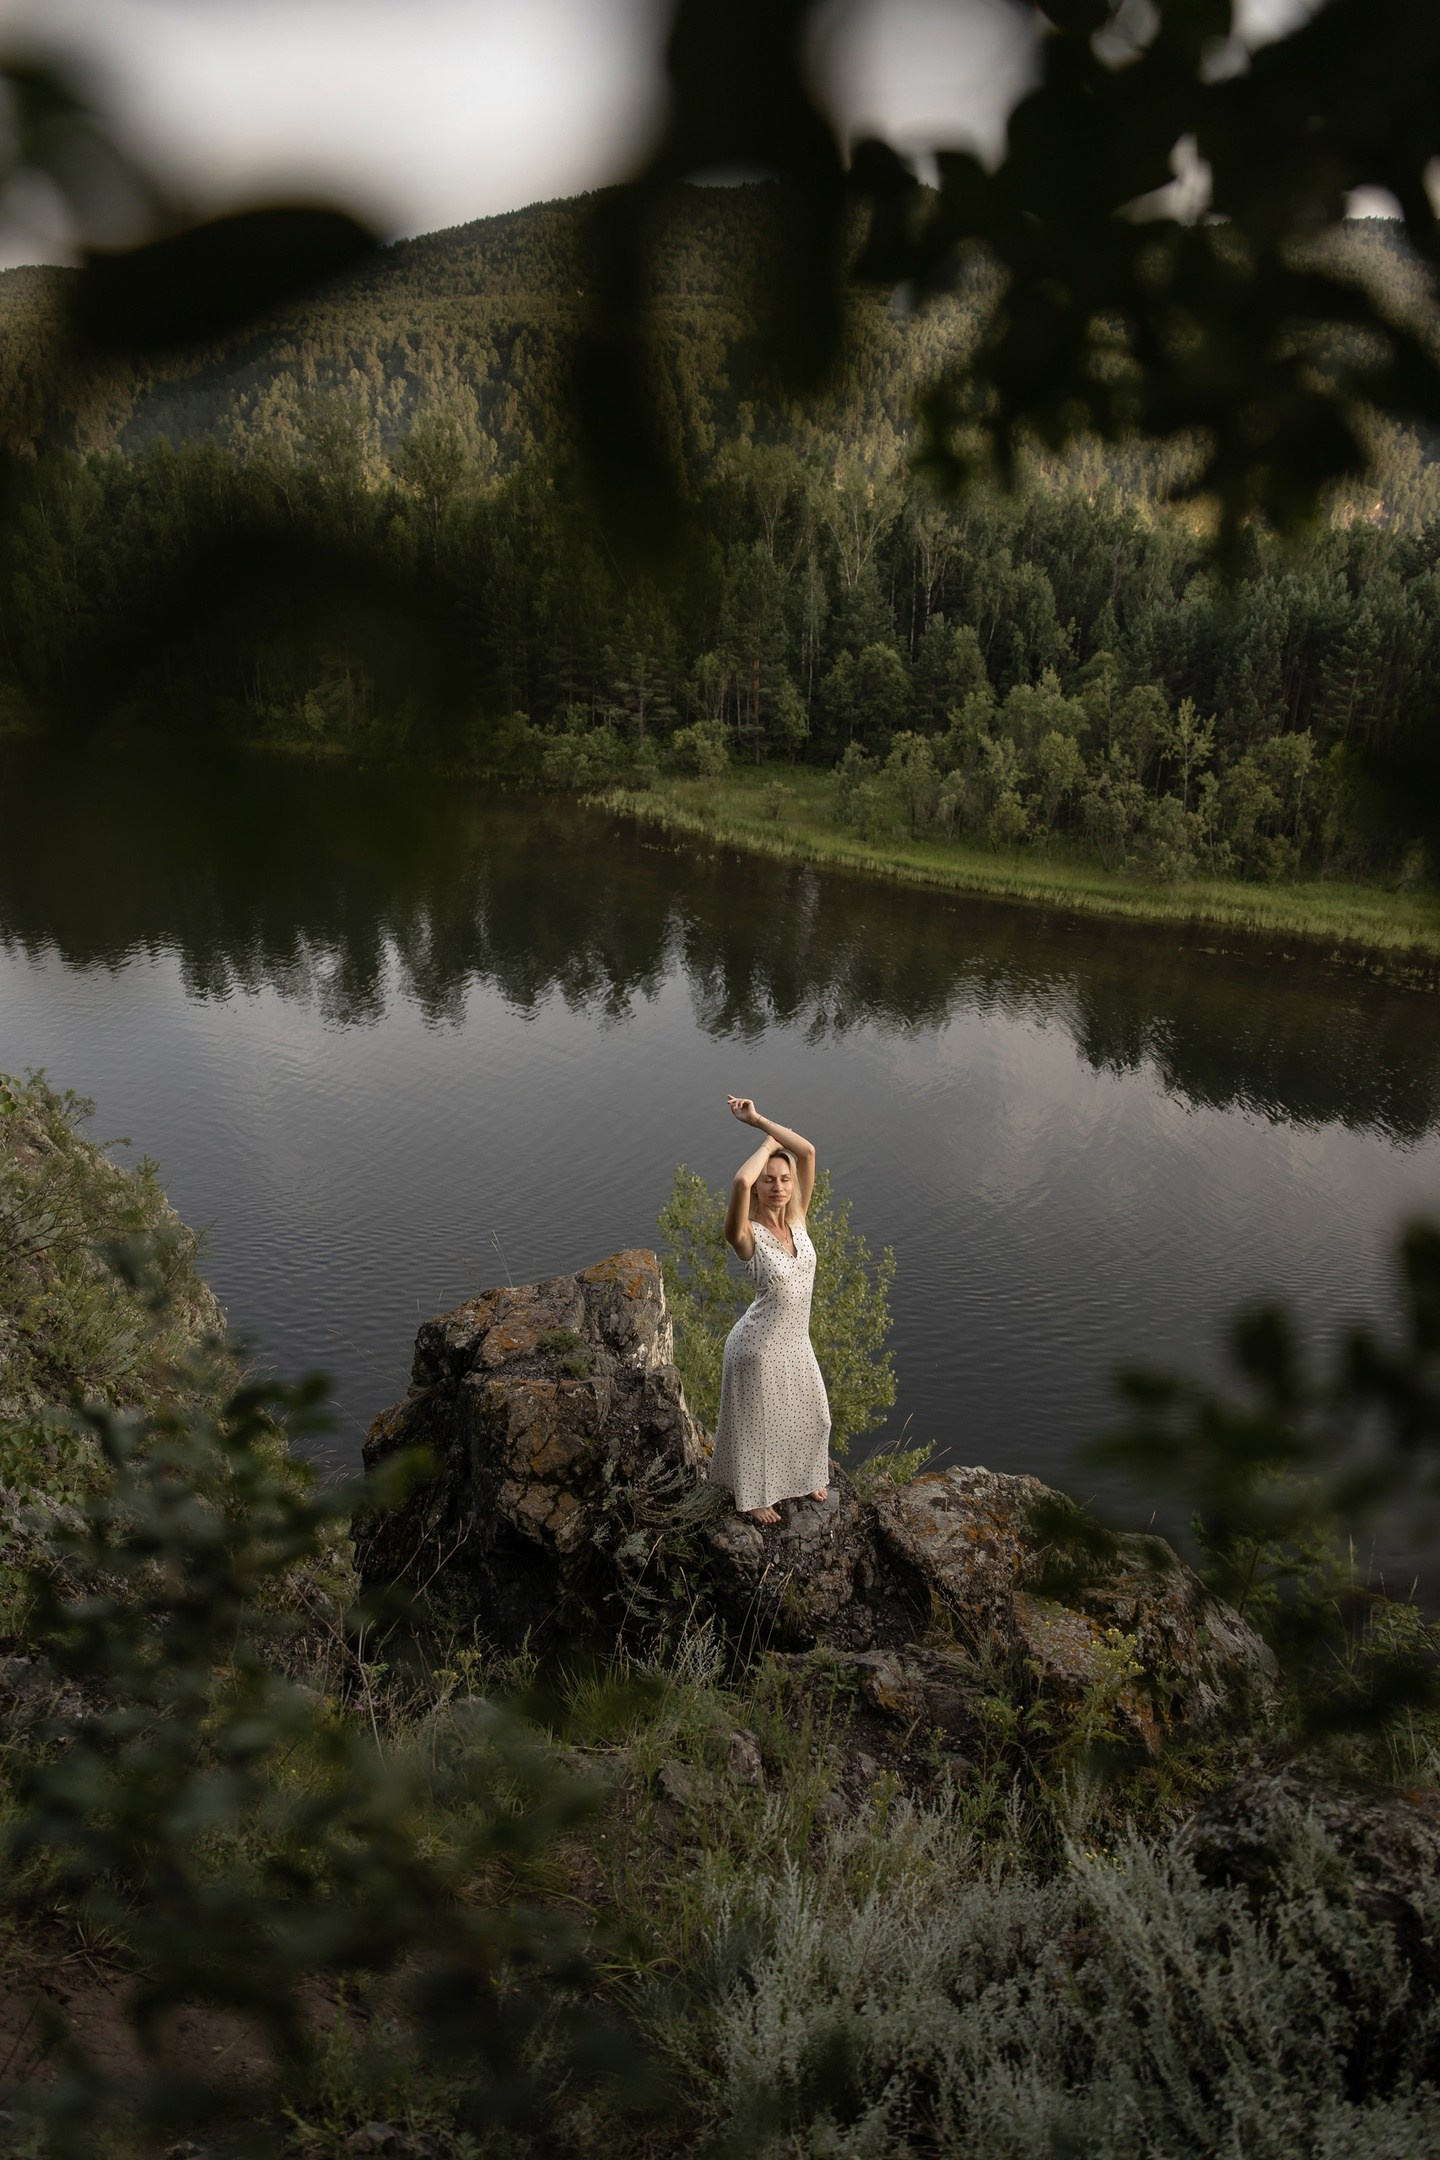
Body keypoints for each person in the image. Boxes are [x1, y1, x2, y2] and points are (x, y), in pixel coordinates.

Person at [710, 1094, 831, 1526]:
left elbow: (808, 1151)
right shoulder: (747, 1236)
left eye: (784, 1179)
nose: (778, 1186)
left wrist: (759, 1119)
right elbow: (739, 1184)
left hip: (796, 1342)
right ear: (760, 1187)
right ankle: (755, 1496)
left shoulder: (798, 1217)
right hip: (756, 1347)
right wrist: (763, 1143)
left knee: (814, 1415)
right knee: (757, 1429)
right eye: (770, 1180)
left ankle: (803, 1476)